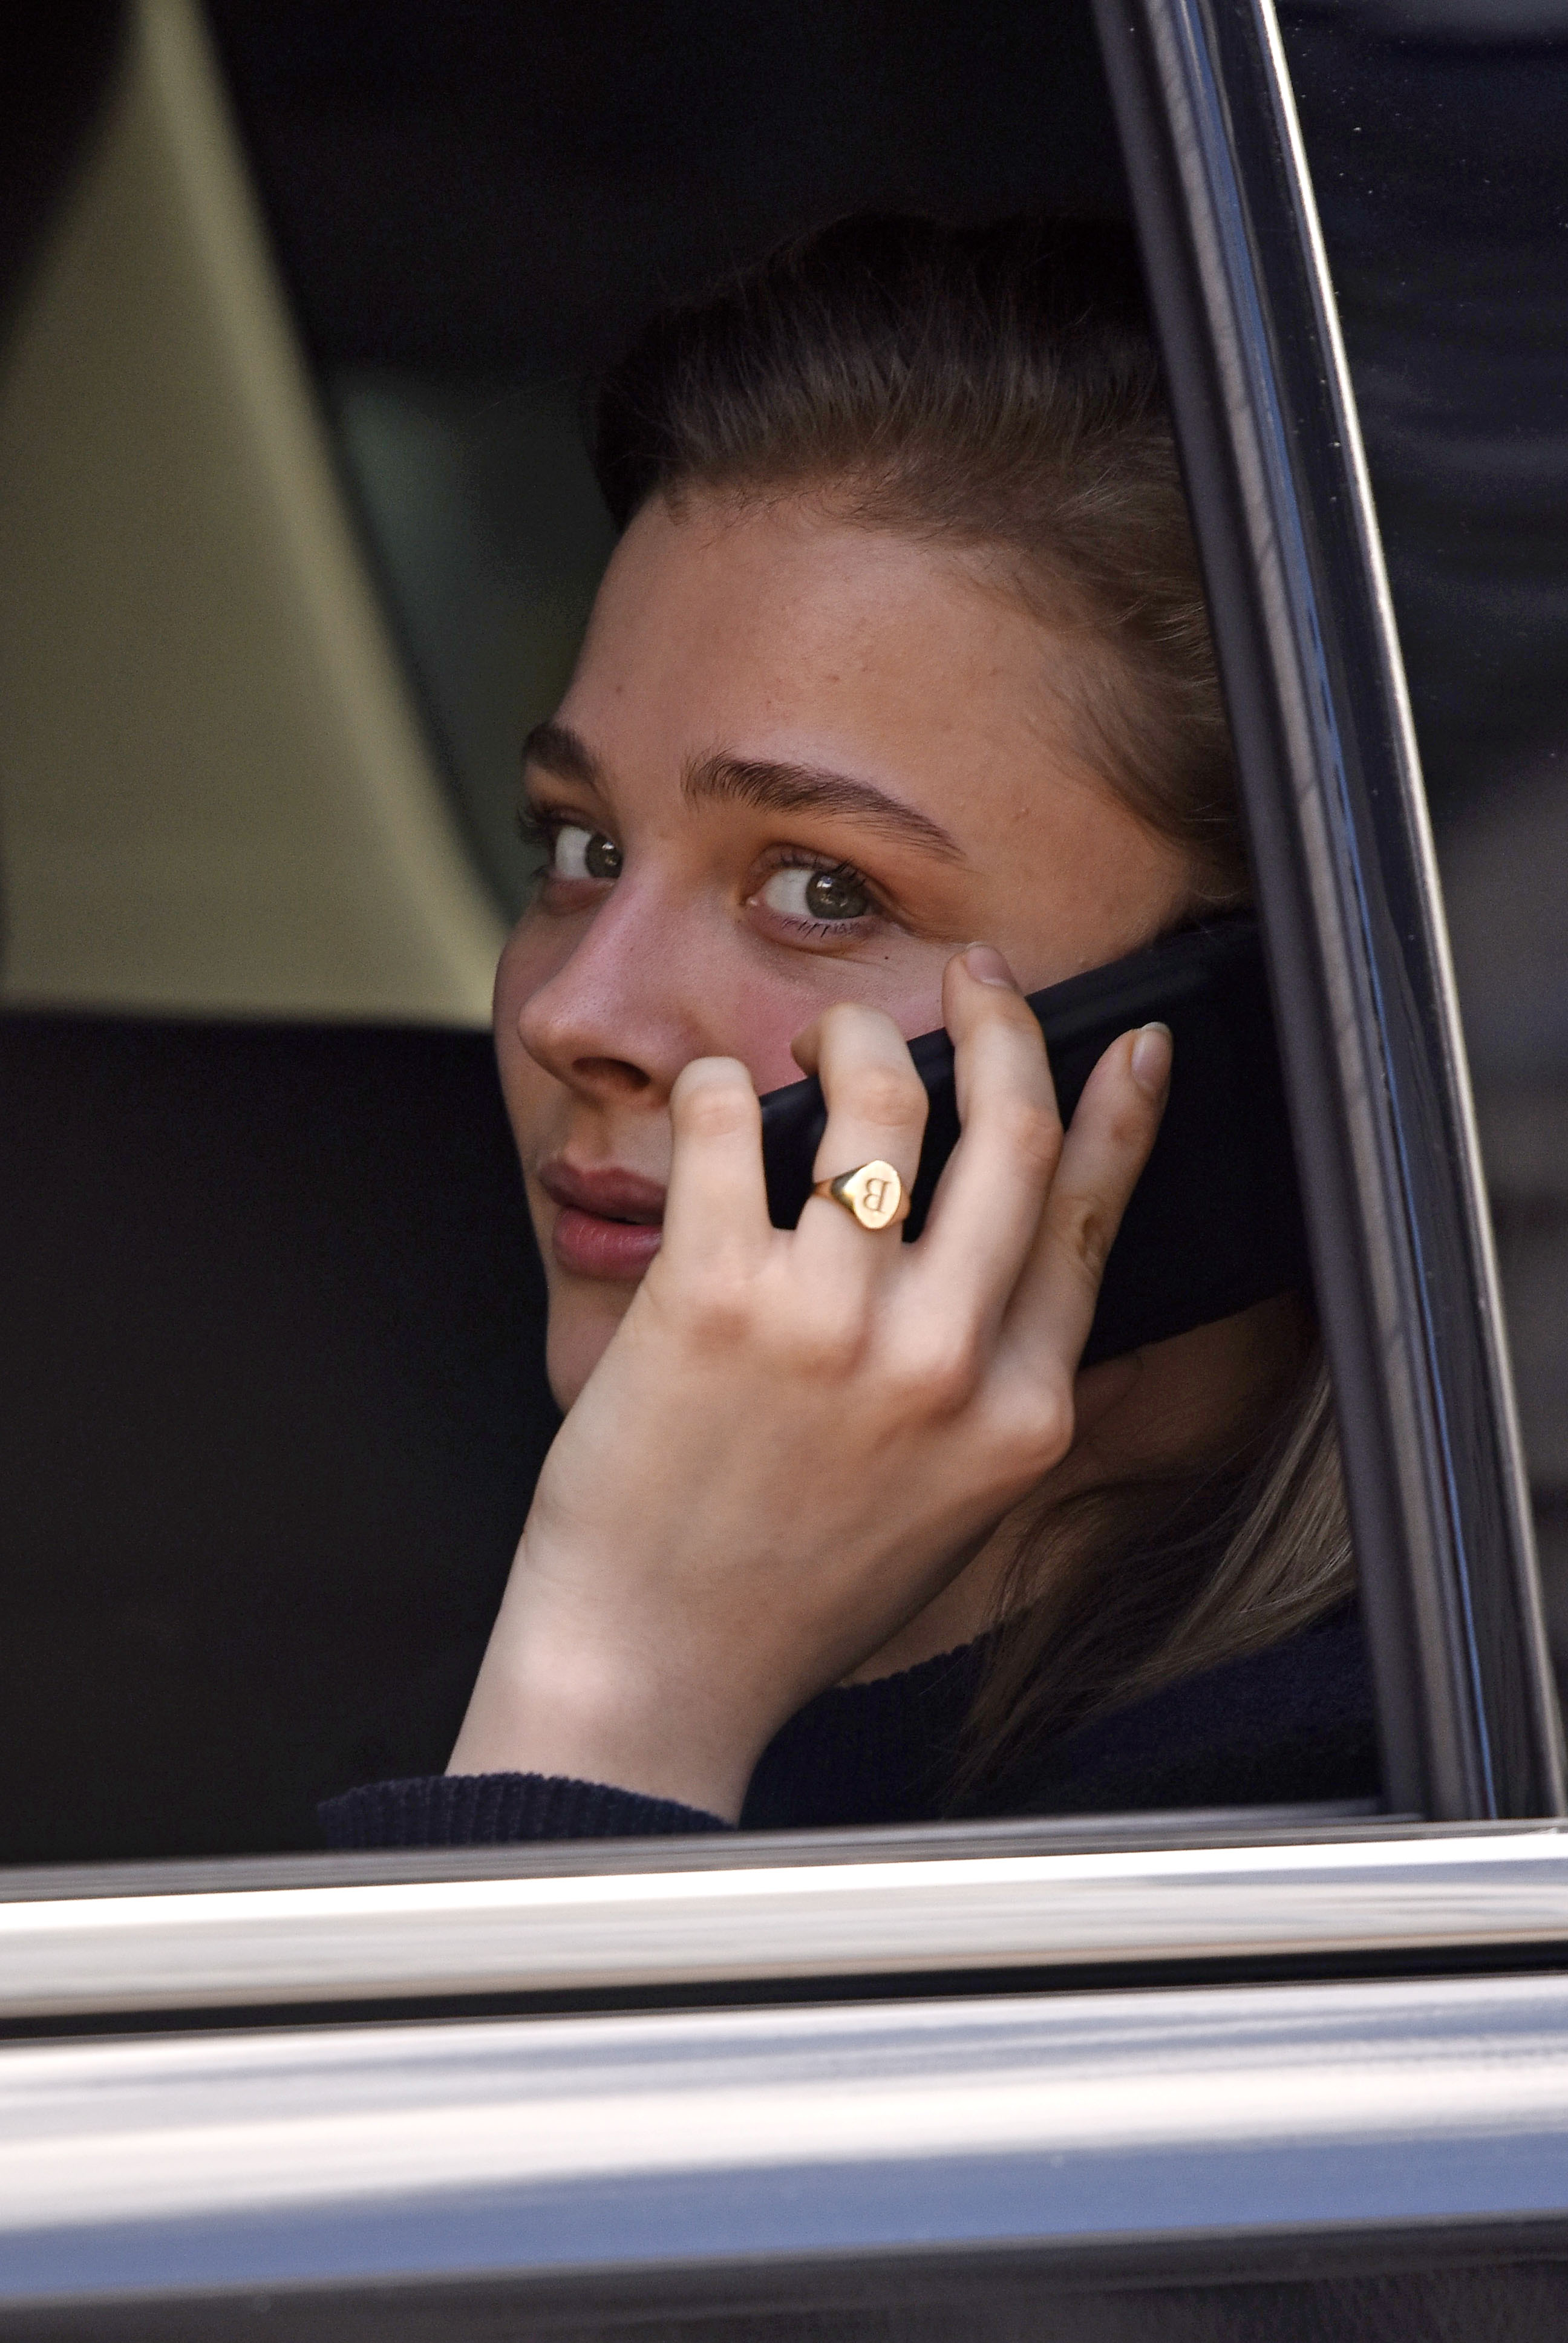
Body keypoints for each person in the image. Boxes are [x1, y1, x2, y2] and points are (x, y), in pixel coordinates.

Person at [322, 215, 1374, 1849]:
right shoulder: (371, 1583)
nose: (571, 1011)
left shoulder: (1325, 1841)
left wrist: (612, 1694)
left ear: (1239, 1037)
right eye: (582, 849)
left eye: (820, 885)